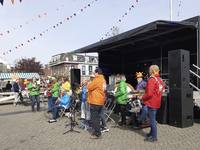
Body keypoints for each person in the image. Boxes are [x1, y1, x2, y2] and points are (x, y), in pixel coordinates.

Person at [139, 65, 164, 142]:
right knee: (152, 118)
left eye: (149, 70)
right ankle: (151, 132)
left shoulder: (151, 80)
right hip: (157, 102)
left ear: (153, 71)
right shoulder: (160, 80)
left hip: (151, 103)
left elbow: (149, 94)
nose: (148, 71)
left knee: (152, 120)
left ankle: (154, 136)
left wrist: (142, 97)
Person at [87, 68, 106, 139]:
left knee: (95, 118)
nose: (94, 75)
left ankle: (98, 134)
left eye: (94, 73)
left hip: (95, 101)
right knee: (97, 118)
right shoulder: (103, 80)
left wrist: (89, 83)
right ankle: (97, 130)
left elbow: (89, 87)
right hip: (100, 100)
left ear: (97, 73)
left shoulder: (97, 79)